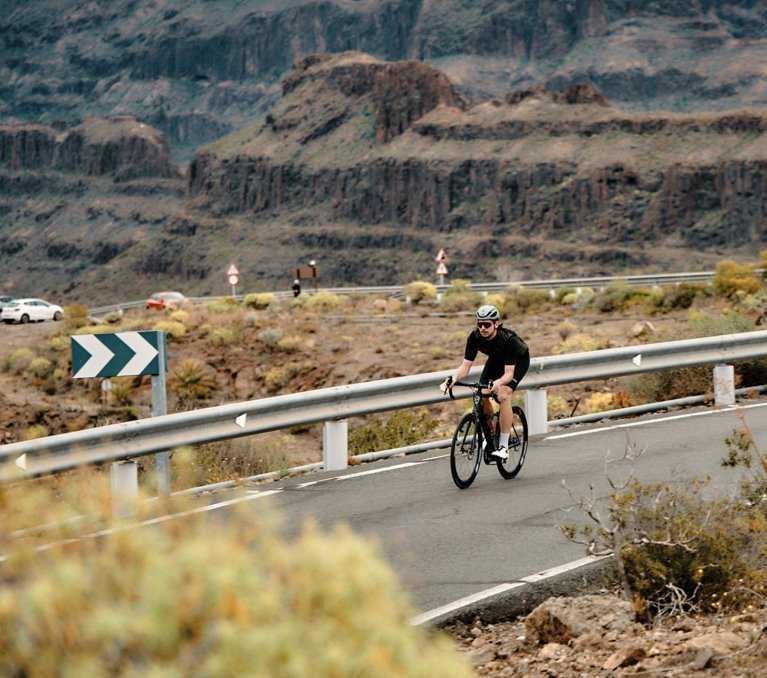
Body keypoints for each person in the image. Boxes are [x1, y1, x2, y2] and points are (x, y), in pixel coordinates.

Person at [440, 304, 530, 460]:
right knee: (482, 394)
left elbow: (509, 374)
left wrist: (499, 382)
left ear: (495, 324)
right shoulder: (474, 338)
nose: (483, 328)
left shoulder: (510, 340)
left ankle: (503, 446)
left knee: (503, 395)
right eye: (479, 324)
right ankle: (491, 431)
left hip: (518, 361)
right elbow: (465, 366)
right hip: (495, 360)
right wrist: (454, 378)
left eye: (487, 324)